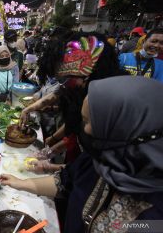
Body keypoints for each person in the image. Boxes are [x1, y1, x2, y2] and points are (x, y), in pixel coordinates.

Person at [0, 76, 163, 233]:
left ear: (124, 128)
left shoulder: (155, 214)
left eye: (89, 122)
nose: (85, 129)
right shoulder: (101, 158)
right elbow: (64, 181)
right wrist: (20, 183)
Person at [20, 33, 125, 172]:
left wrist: (50, 165)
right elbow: (73, 132)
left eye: (66, 79)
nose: (63, 84)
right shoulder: (78, 86)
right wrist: (48, 152)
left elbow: (93, 171)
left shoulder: (108, 102)